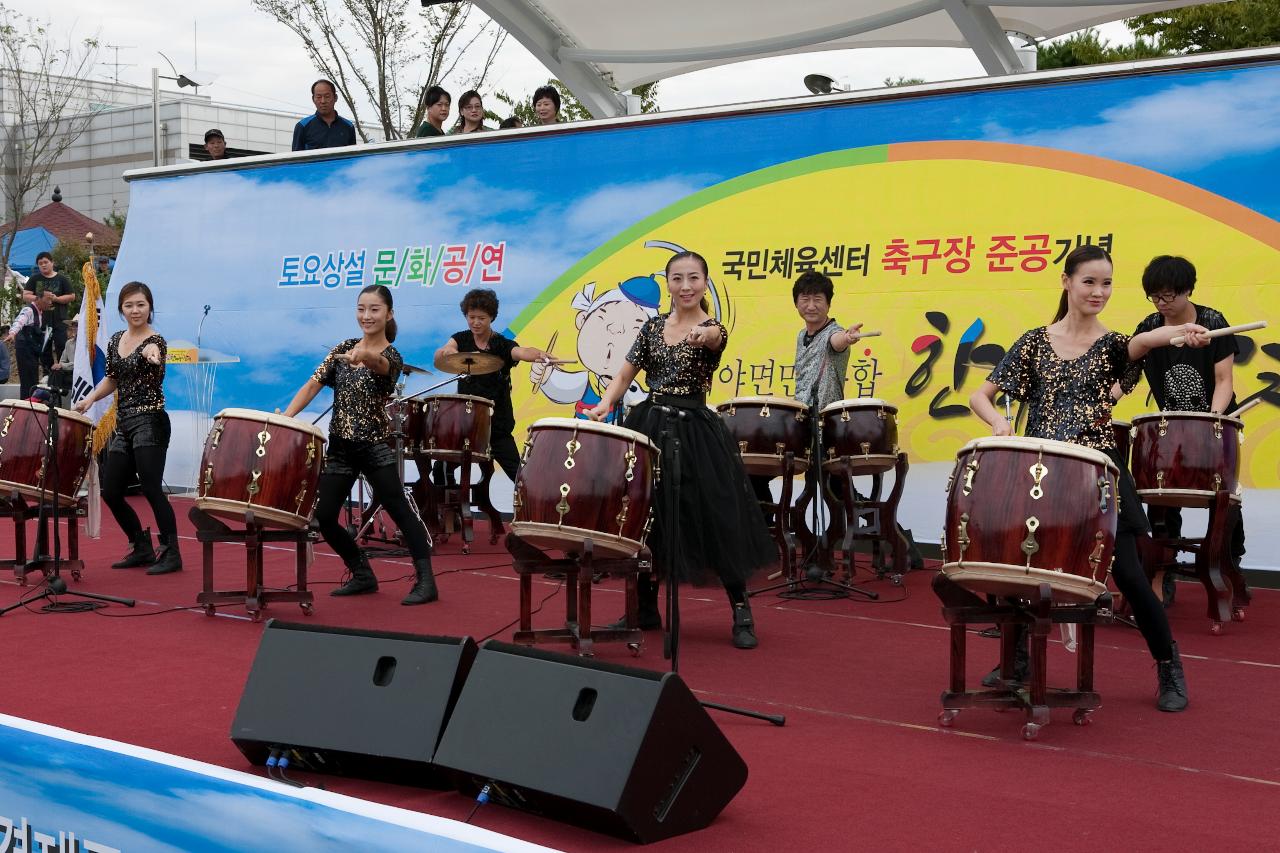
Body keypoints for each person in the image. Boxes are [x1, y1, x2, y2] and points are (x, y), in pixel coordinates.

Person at [966, 244, 1210, 712]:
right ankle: (1017, 661)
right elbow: (982, 396)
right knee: (1020, 571)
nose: (1099, 292)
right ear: (1067, 282)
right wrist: (999, 424)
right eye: (1089, 282)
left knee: (1129, 576)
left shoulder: (1116, 344)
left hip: (1096, 476)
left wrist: (1180, 333)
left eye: (1106, 283)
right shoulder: (1034, 342)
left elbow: (1145, 344)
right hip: (1040, 473)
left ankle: (1169, 667)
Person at [587, 251, 777, 650]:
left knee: (716, 516)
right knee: (645, 516)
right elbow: (625, 373)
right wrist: (606, 403)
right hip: (650, 425)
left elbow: (713, 338)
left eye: (693, 278)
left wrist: (701, 335)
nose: (685, 286)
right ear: (668, 283)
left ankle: (741, 608)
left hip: (696, 431)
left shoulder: (713, 328)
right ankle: (645, 606)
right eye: (677, 278)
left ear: (705, 283)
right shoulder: (652, 327)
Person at [284, 285, 438, 604]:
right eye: (361, 309)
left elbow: (378, 364)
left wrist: (365, 354)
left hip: (372, 445)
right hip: (341, 447)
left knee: (398, 509)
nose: (366, 316)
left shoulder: (392, 356)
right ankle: (363, 573)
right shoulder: (343, 348)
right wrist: (286, 418)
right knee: (325, 517)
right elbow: (313, 385)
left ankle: (426, 581)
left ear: (389, 314)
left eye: (374, 310)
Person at [1122, 255, 1245, 597]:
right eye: (1155, 297)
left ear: (1187, 290)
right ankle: (1164, 572)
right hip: (1171, 426)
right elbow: (1128, 372)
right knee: (1161, 498)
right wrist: (1105, 399)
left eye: (1169, 296)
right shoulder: (1150, 327)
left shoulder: (1212, 321)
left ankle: (1228, 564)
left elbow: (1224, 381)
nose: (1163, 304)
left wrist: (1212, 422)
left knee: (1223, 499)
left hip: (1214, 422)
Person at [74, 282, 183, 575]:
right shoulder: (116, 339)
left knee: (150, 487)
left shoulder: (155, 341)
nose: (135, 311)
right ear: (121, 309)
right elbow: (112, 379)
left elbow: (153, 356)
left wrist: (151, 355)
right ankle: (141, 546)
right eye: (129, 305)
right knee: (111, 491)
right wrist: (90, 399)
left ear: (150, 307)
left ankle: (172, 552)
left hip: (150, 421)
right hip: (124, 423)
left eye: (141, 305)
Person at [433, 289, 556, 483]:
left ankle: (533, 509)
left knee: (520, 477)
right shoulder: (460, 338)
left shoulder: (501, 344)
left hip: (496, 425)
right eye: (471, 317)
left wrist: (538, 355)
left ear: (492, 317)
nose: (476, 322)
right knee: (439, 469)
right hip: (466, 425)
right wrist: (447, 350)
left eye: (481, 318)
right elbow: (445, 350)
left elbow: (521, 351)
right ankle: (450, 506)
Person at [24, 251, 74, 376]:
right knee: (44, 349)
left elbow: (72, 296)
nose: (43, 265)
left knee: (62, 346)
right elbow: (25, 295)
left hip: (59, 319)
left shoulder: (62, 279)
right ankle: (48, 375)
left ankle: (64, 375)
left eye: (46, 262)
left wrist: (56, 299)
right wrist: (40, 299)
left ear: (52, 263)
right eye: (40, 263)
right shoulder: (35, 278)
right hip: (41, 320)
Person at [5, 290, 54, 399]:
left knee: (33, 381)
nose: (50, 302)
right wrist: (13, 333)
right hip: (25, 350)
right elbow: (20, 321)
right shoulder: (28, 310)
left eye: (52, 299)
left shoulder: (40, 313)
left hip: (32, 351)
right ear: (38, 299)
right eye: (48, 299)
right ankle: (25, 407)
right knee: (27, 382)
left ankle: (31, 404)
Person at [292, 79, 357, 152]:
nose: (323, 101)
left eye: (327, 96)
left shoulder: (348, 126)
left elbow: (352, 158)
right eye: (319, 97)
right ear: (313, 99)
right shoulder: (302, 126)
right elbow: (295, 160)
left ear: (335, 98)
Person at [49, 316, 77, 402]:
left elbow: (79, 364)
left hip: (80, 373)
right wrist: (60, 366)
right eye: (73, 325)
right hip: (69, 371)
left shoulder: (86, 344)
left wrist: (62, 365)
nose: (74, 328)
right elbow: (62, 360)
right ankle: (53, 398)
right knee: (55, 371)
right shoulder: (69, 343)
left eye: (76, 325)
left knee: (57, 372)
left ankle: (52, 398)